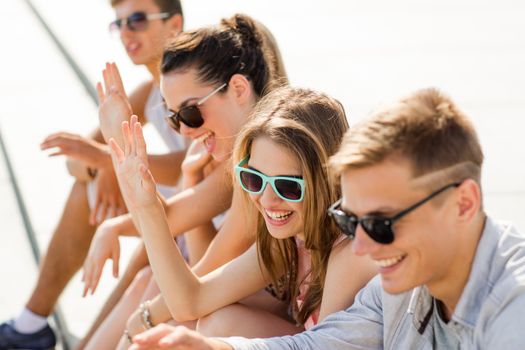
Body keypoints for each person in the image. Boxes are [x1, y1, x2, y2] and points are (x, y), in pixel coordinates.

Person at [128, 87, 525, 349]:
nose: (363, 246)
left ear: (464, 204)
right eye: (351, 221)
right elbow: (318, 345)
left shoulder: (513, 307)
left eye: (380, 225)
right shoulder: (394, 286)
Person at [80, 14, 293, 350]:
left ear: (238, 88)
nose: (186, 131)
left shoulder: (267, 165)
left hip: (314, 332)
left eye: (191, 112)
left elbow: (197, 284)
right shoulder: (241, 155)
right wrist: (121, 148)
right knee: (155, 286)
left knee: (189, 317)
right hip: (274, 317)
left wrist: (143, 320)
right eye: (174, 118)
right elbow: (169, 223)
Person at [111, 86, 375, 347]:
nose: (267, 200)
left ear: (328, 180)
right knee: (215, 321)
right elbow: (191, 301)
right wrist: (148, 208)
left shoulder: (349, 251)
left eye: (288, 186)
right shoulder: (289, 242)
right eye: (254, 179)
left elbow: (319, 346)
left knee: (216, 326)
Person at [0, 1, 187, 349]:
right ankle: (31, 324)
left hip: (202, 214)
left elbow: (190, 162)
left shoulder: (195, 81)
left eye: (137, 20)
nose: (127, 32)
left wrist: (108, 161)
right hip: (173, 205)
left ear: (174, 24)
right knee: (83, 191)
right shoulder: (148, 91)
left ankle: (74, 339)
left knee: (144, 261)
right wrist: (102, 166)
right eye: (119, 24)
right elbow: (75, 159)